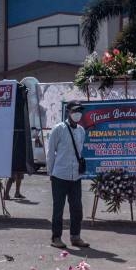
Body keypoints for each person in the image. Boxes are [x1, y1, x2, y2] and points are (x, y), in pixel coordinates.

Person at [45, 100, 90, 250]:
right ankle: (56, 237)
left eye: (80, 111)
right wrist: (50, 172)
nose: (78, 114)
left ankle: (75, 236)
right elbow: (51, 152)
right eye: (75, 110)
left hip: (75, 176)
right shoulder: (58, 129)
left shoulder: (82, 131)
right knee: (58, 208)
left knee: (77, 208)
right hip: (59, 175)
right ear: (68, 112)